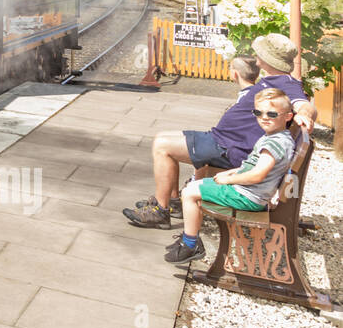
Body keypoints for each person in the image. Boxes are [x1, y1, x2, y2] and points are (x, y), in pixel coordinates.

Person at [123, 34, 316, 230]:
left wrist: (305, 114)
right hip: (223, 140)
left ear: (267, 58)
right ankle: (172, 203)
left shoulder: (286, 84)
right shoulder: (274, 79)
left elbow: (305, 105)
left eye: (260, 52)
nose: (256, 54)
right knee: (162, 138)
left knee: (162, 146)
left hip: (230, 148)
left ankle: (160, 212)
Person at [164, 87, 299, 263]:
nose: (264, 118)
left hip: (248, 196)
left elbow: (257, 175)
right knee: (196, 186)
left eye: (272, 114)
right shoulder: (279, 138)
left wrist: (229, 179)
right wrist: (232, 171)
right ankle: (188, 239)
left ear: (288, 116)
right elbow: (252, 165)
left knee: (189, 193)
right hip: (251, 192)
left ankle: (190, 244)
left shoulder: (273, 145)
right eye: (259, 113)